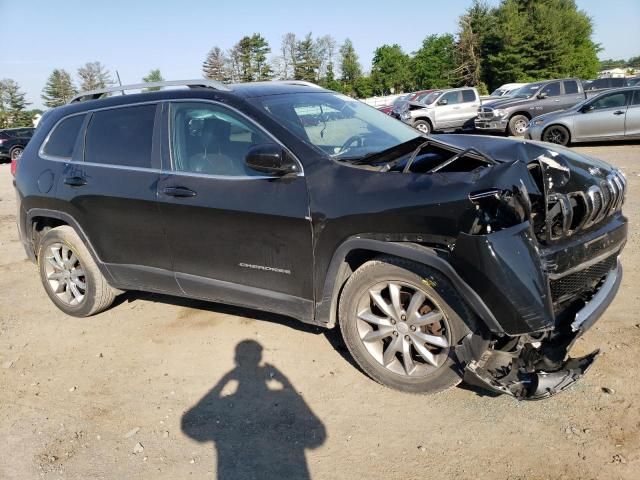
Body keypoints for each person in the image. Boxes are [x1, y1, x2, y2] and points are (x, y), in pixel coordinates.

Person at [182, 340, 326, 479]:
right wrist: (285, 382)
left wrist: (223, 382)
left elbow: (188, 424)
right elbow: (318, 438)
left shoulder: (226, 403)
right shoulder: (281, 398)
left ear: (236, 359)